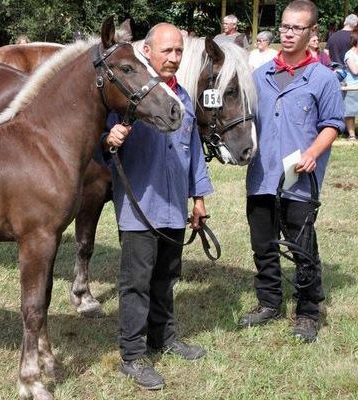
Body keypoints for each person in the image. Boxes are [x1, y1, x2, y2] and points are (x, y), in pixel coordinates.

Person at [103, 23, 213, 390]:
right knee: (136, 283)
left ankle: (163, 338)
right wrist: (109, 137)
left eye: (179, 51)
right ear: (146, 51)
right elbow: (96, 138)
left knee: (166, 276)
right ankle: (132, 355)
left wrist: (198, 199)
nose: (174, 58)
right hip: (139, 207)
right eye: (167, 50)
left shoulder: (181, 96)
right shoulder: (127, 92)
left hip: (173, 204)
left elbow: (194, 151)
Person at [240, 0, 345, 343]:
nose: (286, 33)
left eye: (296, 28)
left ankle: (307, 311)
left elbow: (331, 124)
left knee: (302, 247)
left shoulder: (324, 78)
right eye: (284, 26)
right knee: (263, 244)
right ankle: (269, 302)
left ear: (313, 32)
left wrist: (314, 152)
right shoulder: (259, 76)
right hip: (261, 177)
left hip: (300, 180)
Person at [343, 31, 358, 140]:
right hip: (352, 86)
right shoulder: (349, 54)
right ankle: (351, 135)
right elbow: (355, 70)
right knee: (350, 112)